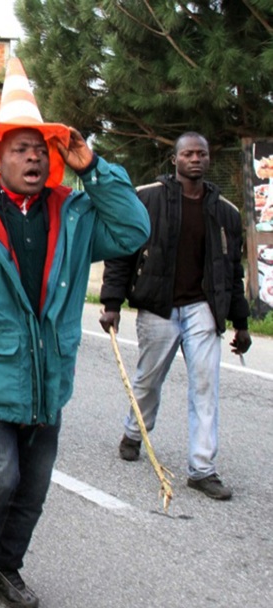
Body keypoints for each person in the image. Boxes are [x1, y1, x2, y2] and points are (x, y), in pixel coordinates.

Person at [0, 60, 150, 608]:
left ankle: (2, 564)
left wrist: (93, 167)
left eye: (43, 149)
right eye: (22, 148)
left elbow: (134, 230)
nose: (35, 158)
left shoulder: (73, 211)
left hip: (48, 373)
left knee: (33, 490)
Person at [99, 132, 250, 501]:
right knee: (148, 382)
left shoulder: (225, 212)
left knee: (205, 385)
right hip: (158, 307)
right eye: (188, 154)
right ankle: (135, 432)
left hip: (203, 308)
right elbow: (123, 252)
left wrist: (241, 323)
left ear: (208, 159)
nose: (195, 159)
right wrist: (111, 302)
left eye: (201, 153)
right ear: (175, 160)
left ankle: (202, 469)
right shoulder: (147, 199)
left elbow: (233, 273)